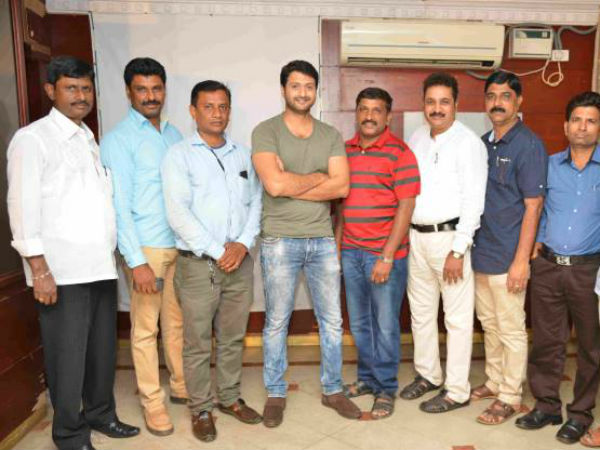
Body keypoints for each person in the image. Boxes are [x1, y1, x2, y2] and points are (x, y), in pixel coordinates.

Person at [7, 56, 139, 450]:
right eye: (71, 88)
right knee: (68, 358)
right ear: (51, 90)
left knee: (101, 353)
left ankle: (101, 414)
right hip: (61, 273)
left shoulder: (87, 138)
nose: (80, 96)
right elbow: (21, 206)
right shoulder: (33, 139)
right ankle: (68, 433)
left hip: (99, 266)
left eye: (85, 88)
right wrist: (39, 269)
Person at [252, 60, 360, 427]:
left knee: (332, 321)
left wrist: (293, 181)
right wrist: (318, 177)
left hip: (322, 240)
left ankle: (333, 389)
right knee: (276, 322)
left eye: (309, 86)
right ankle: (275, 392)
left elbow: (341, 187)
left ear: (316, 91)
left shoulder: (330, 135)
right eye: (295, 86)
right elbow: (273, 185)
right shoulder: (266, 131)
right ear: (283, 90)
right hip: (279, 240)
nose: (302, 93)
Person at [162, 80, 263, 442]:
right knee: (198, 342)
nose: (217, 114)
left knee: (233, 337)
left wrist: (243, 244)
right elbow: (178, 213)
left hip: (240, 262)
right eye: (208, 106)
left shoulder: (243, 154)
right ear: (193, 111)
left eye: (223, 107)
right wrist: (221, 251)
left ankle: (229, 397)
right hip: (199, 264)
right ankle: (201, 408)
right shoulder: (179, 155)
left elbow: (257, 203)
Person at [100, 57, 186, 436]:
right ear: (128, 92)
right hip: (146, 250)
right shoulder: (118, 140)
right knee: (145, 330)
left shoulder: (174, 134)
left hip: (178, 247)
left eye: (156, 88)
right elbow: (118, 206)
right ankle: (153, 403)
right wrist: (136, 262)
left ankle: (181, 385)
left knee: (177, 323)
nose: (150, 96)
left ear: (164, 90)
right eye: (142, 89)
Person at [400, 72, 487, 413]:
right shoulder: (417, 137)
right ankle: (428, 375)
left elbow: (474, 201)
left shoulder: (469, 143)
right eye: (431, 102)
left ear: (456, 104)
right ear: (423, 104)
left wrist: (459, 249)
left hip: (451, 241)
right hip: (417, 239)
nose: (437, 108)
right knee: (421, 314)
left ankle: (457, 390)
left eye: (444, 102)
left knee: (457, 319)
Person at [516, 91, 600, 445]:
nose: (583, 127)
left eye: (591, 121)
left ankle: (580, 414)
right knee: (546, 342)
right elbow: (537, 208)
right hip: (548, 267)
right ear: (566, 126)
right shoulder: (548, 165)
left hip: (589, 270)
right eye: (577, 120)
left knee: (590, 348)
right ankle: (547, 405)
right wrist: (535, 244)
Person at [335, 87, 419, 419]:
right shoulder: (344, 152)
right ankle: (367, 379)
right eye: (364, 109)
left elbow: (406, 207)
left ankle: (385, 388)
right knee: (359, 324)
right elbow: (342, 207)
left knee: (384, 326)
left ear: (387, 117)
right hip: (351, 252)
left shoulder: (401, 153)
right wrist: (339, 248)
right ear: (356, 113)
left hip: (384, 256)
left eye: (377, 110)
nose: (369, 116)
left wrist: (386, 256)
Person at [470, 71, 547, 425]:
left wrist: (521, 261)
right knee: (489, 323)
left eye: (505, 96)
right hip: (482, 252)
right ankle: (495, 380)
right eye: (491, 96)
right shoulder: (483, 143)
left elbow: (534, 205)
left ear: (519, 102)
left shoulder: (528, 144)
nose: (497, 103)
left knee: (511, 328)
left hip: (509, 256)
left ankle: (511, 395)